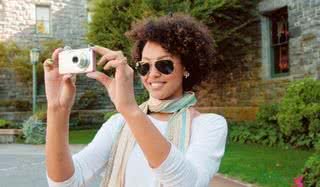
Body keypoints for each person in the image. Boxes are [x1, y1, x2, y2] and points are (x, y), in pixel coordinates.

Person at [44, 13, 228, 187]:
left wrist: (130, 110)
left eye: (164, 64)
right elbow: (65, 183)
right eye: (144, 66)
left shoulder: (209, 125)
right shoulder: (118, 124)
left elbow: (186, 183)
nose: (153, 74)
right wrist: (56, 110)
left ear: (187, 68)